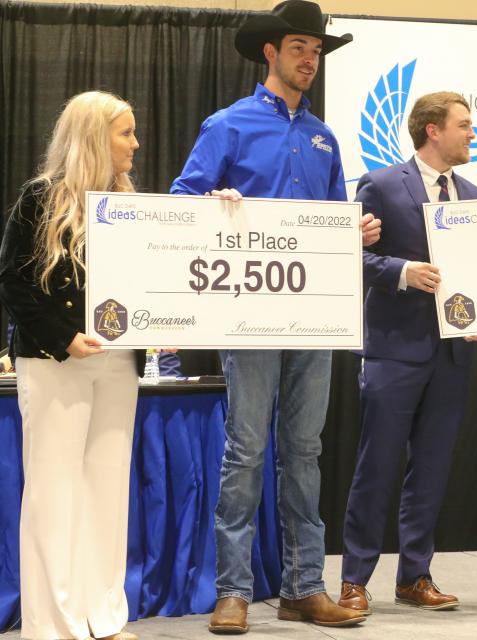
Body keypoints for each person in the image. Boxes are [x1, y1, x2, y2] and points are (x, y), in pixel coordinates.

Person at [170, 1, 379, 632]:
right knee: (245, 449)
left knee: (305, 450)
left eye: (316, 51)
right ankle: (232, 589)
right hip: (249, 314)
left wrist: (357, 232)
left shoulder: (324, 138)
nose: (309, 59)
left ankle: (303, 587)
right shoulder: (228, 125)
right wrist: (214, 202)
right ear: (271, 52)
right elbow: (183, 202)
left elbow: (330, 221)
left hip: (313, 314)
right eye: (298, 48)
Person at [336, 92, 477, 616]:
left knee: (431, 469)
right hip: (393, 350)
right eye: (464, 126)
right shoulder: (380, 184)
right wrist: (404, 272)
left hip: (452, 356)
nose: (473, 134)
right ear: (432, 130)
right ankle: (354, 578)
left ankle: (414, 576)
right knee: (376, 464)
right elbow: (351, 255)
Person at [0, 90, 144, 640]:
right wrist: (64, 338)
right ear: (92, 138)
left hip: (117, 361)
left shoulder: (130, 202)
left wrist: (222, 204)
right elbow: (13, 280)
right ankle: (54, 626)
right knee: (54, 491)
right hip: (54, 360)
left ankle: (103, 617)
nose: (135, 143)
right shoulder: (41, 198)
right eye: (124, 133)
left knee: (107, 494)